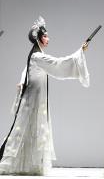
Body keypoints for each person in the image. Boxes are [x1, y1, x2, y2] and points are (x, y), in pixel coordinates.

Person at [0, 16, 90, 175]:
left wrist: (22, 80)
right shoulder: (37, 56)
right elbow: (57, 64)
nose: (48, 39)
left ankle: (29, 165)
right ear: (38, 39)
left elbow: (27, 69)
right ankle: (8, 162)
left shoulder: (36, 55)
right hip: (32, 101)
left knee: (31, 129)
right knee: (23, 129)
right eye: (45, 36)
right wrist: (79, 52)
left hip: (36, 99)